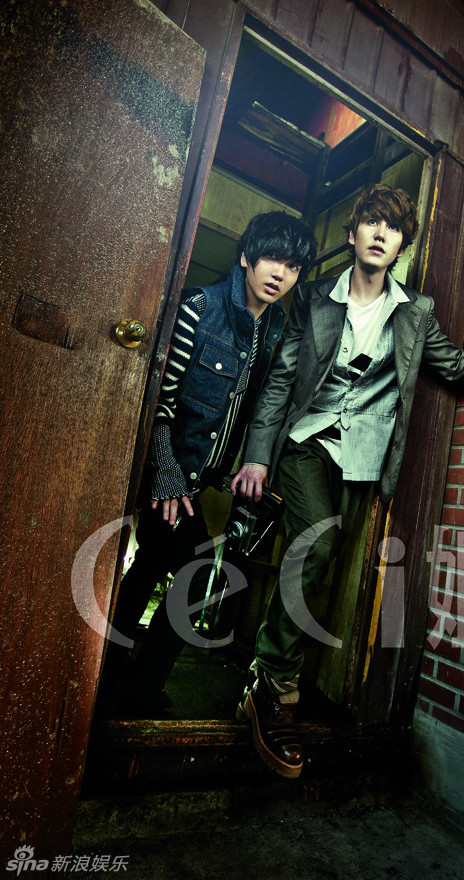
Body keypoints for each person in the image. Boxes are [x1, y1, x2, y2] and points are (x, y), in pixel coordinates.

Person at [231, 183, 464, 779]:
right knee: (317, 541)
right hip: (307, 439)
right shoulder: (312, 298)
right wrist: (258, 456)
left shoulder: (414, 312)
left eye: (392, 227)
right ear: (353, 234)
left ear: (400, 246)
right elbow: (282, 382)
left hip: (362, 456)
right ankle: (273, 681)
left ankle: (275, 673)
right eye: (372, 221)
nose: (380, 233)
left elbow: (456, 365)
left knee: (324, 558)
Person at [99, 211, 316, 718]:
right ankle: (137, 690)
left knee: (151, 566)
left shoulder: (274, 329)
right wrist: (166, 474)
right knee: (190, 574)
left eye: (292, 266)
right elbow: (159, 401)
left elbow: (252, 407)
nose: (280, 273)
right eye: (271, 258)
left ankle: (112, 678)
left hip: (200, 481)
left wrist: (240, 467)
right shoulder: (199, 307)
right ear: (245, 257)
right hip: (167, 471)